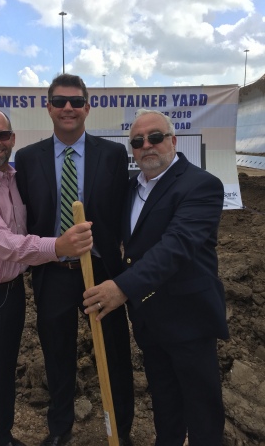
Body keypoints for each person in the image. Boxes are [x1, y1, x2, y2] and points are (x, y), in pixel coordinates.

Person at [0, 108, 93, 446]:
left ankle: (0, 437)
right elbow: (2, 243)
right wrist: (59, 245)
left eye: (1, 135)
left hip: (10, 291)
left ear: (12, 139)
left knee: (2, 372)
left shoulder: (10, 178)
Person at [83, 109, 229, 446]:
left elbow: (176, 246)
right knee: (165, 403)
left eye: (155, 137)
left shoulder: (200, 185)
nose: (146, 145)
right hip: (149, 320)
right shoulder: (131, 188)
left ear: (173, 141)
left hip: (189, 318)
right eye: (137, 141)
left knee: (203, 411)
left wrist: (121, 287)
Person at [15, 74, 134, 446]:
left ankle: (121, 428)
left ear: (87, 107)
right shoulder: (28, 158)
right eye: (60, 101)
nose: (68, 107)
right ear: (48, 107)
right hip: (53, 271)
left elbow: (118, 212)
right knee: (57, 350)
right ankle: (60, 427)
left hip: (101, 270)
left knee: (114, 351)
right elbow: (27, 215)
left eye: (76, 101)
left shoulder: (112, 155)